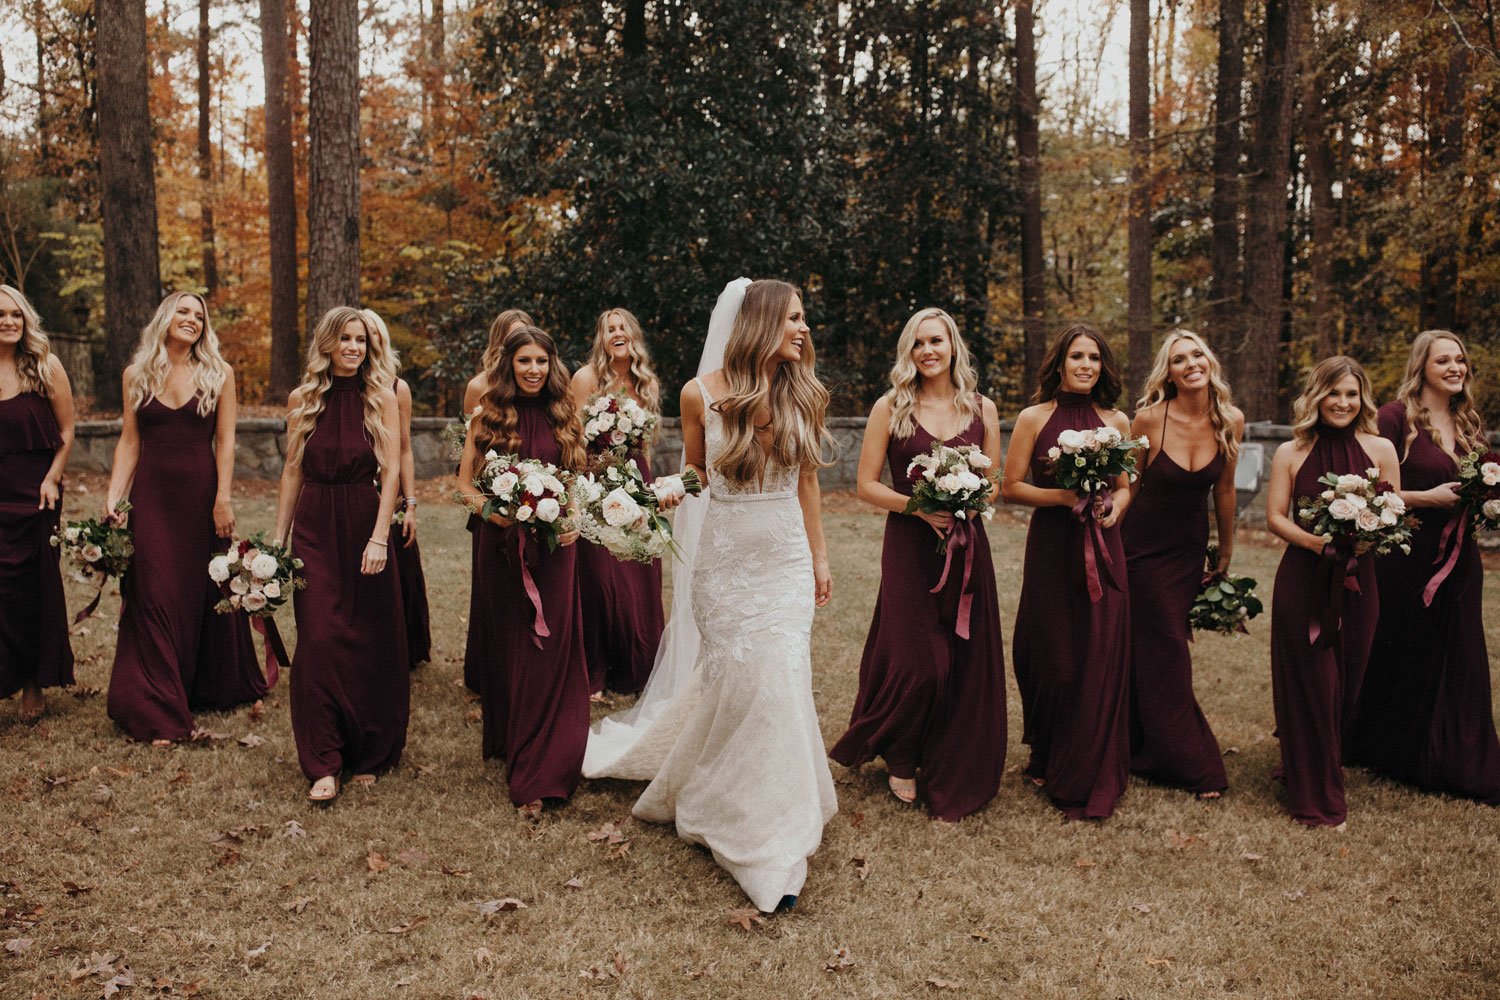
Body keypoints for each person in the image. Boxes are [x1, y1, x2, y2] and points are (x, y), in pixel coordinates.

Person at [591, 278, 837, 913]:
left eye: (803, 319)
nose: (803, 330)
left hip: (781, 557)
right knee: (738, 685)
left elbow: (806, 480)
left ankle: (772, 838)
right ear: (759, 323)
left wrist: (819, 555)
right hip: (725, 564)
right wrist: (667, 489)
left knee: (780, 679)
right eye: (793, 319)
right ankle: (719, 799)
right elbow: (697, 469)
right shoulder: (699, 394)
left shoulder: (802, 391)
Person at [828, 307, 1006, 819]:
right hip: (910, 545)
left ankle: (950, 752)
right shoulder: (892, 407)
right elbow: (865, 484)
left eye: (937, 341)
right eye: (918, 343)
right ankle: (900, 752)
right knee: (918, 661)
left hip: (968, 546)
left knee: (964, 655)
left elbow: (995, 481)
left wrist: (972, 497)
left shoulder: (982, 408)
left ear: (954, 347)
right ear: (909, 352)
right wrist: (920, 508)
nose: (928, 351)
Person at [105, 292, 266, 744]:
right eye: (183, 311)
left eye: (199, 315)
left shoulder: (220, 374)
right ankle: (158, 707)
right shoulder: (136, 375)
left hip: (200, 496)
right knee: (153, 593)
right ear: (165, 318)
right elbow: (129, 442)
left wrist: (224, 498)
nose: (192, 320)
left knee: (199, 590)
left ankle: (199, 684)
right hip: (152, 499)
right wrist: (115, 495)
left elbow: (226, 443)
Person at [1349, 332, 1499, 805]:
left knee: (1460, 651)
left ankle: (1455, 755)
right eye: (1444, 361)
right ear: (1423, 366)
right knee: (1402, 650)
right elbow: (1366, 488)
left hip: (1459, 559)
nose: (1455, 368)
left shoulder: (1469, 422)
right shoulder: (1395, 419)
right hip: (1405, 556)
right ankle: (1390, 748)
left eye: (1460, 360)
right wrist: (1427, 498)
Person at [271, 307, 407, 802]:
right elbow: (291, 473)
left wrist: (379, 537)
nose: (354, 347)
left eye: (361, 340)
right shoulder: (302, 399)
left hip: (361, 518)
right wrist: (278, 541)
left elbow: (390, 472)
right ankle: (324, 759)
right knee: (320, 639)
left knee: (368, 637)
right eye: (345, 339)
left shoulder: (381, 396)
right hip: (313, 526)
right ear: (327, 343)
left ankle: (369, 750)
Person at [457, 324, 590, 818]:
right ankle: (516, 742)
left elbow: (575, 479)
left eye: (541, 361)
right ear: (509, 365)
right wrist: (495, 511)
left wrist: (572, 516)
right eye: (524, 362)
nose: (534, 370)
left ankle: (546, 762)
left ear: (552, 365)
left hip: (558, 552)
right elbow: (464, 485)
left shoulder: (564, 413)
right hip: (503, 548)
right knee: (515, 647)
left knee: (551, 650)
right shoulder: (488, 415)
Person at [1265, 356, 1401, 828]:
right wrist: (1319, 543)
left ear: (1363, 398)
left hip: (1359, 585)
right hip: (1303, 583)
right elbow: (1276, 517)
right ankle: (1317, 798)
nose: (1342, 403)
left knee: (1346, 684)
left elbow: (1393, 512)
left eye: (1351, 394)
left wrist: (1363, 539)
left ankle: (1306, 760)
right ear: (1316, 395)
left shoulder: (1381, 448)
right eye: (1333, 392)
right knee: (1312, 687)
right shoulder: (1291, 452)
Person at [1003, 323, 1132, 820]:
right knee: (1052, 653)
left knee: (1099, 651)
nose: (1085, 365)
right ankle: (1048, 751)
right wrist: (1065, 496)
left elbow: (1124, 485)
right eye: (1077, 356)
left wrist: (1117, 505)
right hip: (1053, 548)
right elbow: (1010, 486)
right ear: (1059, 362)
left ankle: (1091, 763)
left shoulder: (1117, 420)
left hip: (1104, 545)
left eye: (1094, 358)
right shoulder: (1034, 417)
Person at [1121, 331, 1243, 798]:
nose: (1191, 364)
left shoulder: (1231, 419)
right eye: (1179, 359)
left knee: (1155, 651)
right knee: (1168, 649)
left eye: (1197, 354)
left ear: (1209, 360)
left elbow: (1225, 490)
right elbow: (1128, 487)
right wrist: (1105, 534)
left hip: (1188, 552)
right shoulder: (1148, 420)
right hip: (1141, 551)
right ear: (1167, 373)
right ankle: (1193, 763)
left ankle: (1141, 748)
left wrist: (1225, 549)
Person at [570, 307, 665, 697]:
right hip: (594, 479)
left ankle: (638, 667)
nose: (616, 332)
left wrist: (650, 492)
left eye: (623, 326)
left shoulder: (646, 382)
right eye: (609, 328)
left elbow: (646, 445)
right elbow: (572, 438)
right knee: (597, 577)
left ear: (634, 334)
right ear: (601, 338)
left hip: (635, 478)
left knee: (638, 574)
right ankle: (594, 670)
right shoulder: (586, 378)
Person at [0, 285, 75, 721]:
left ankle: (32, 680)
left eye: (15, 314)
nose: (9, 321)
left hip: (36, 491)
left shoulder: (45, 367)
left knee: (30, 588)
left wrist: (52, 477)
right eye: (1, 315)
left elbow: (67, 432)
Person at [462, 308, 535, 693]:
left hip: (535, 500)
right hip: (491, 503)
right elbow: (468, 450)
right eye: (512, 338)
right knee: (491, 590)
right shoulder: (479, 386)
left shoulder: (540, 389)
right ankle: (485, 667)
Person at [363, 310, 431, 670]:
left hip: (389, 489)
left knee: (397, 568)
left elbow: (404, 447)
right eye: (360, 333)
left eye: (373, 332)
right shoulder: (342, 383)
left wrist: (411, 503)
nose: (368, 340)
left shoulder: (397, 387)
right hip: (357, 489)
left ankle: (404, 647)